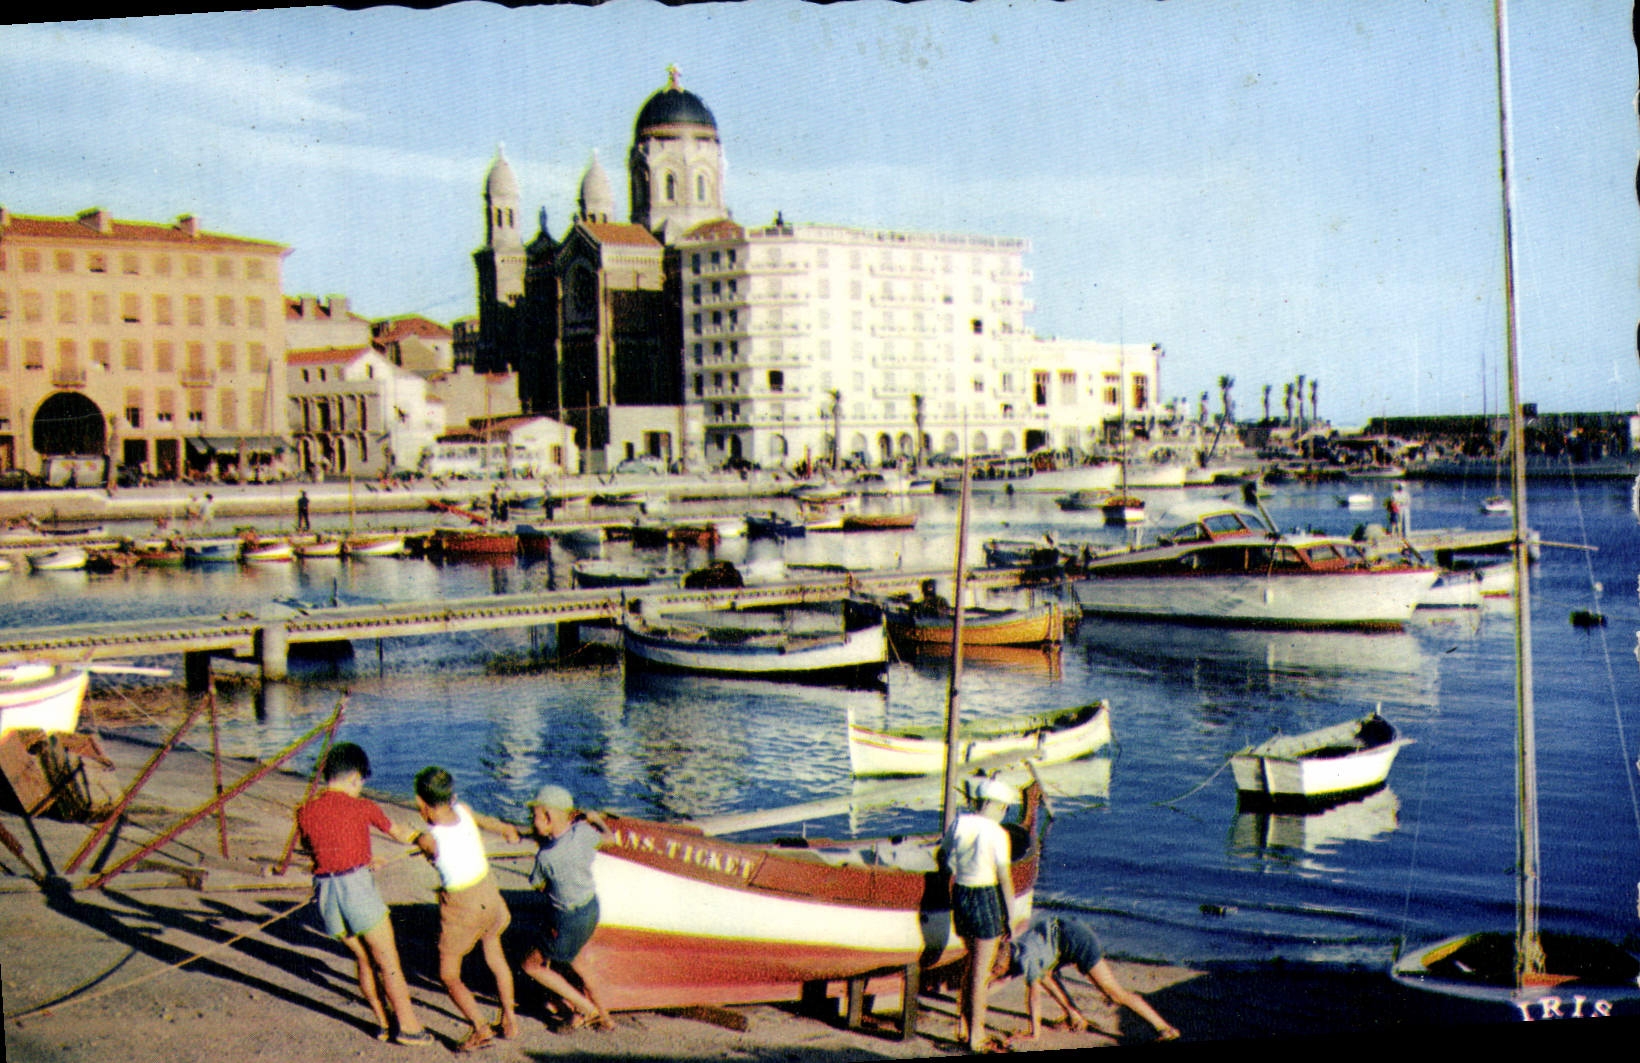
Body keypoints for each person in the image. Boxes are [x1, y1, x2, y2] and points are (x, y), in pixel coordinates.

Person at [294, 743, 433, 1047]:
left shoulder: (305, 811)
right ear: (355, 777)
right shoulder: (363, 806)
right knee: (388, 961)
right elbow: (398, 832)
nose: (361, 787)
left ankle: (384, 1024)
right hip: (356, 888)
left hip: (327, 894)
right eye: (361, 782)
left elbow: (319, 851)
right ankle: (408, 1026)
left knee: (363, 958)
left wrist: (361, 858)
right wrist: (424, 839)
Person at [410, 766, 521, 1053]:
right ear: (451, 797)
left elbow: (433, 858)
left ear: (423, 804)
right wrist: (507, 829)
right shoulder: (464, 809)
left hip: (463, 905)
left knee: (448, 973)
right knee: (494, 952)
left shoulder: (429, 839)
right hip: (489, 892)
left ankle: (480, 1028)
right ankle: (509, 1018)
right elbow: (488, 823)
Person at [993, 914, 1180, 1045]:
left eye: (996, 969)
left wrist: (1035, 1033)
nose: (997, 973)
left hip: (1077, 940)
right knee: (1045, 975)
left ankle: (1165, 1029)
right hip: (1064, 934)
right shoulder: (1014, 948)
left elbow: (1033, 996)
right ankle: (1075, 1016)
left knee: (1113, 992)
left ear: (1003, 964)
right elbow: (1000, 980)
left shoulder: (1025, 957)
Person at [518, 783, 615, 1032]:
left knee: (531, 965)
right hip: (590, 909)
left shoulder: (545, 857)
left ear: (548, 817)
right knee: (578, 961)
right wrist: (596, 820)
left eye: (535, 816)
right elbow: (608, 840)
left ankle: (586, 1009)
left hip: (567, 919)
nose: (532, 820)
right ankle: (604, 1017)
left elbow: (539, 886)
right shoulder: (583, 832)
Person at [942, 776, 1019, 1054]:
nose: (1004, 812)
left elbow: (945, 856)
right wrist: (1011, 917)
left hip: (961, 894)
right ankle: (977, 1036)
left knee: (969, 966)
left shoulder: (959, 823)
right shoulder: (998, 834)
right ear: (995, 805)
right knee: (980, 973)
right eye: (1004, 807)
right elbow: (1004, 879)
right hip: (985, 896)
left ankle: (963, 1026)